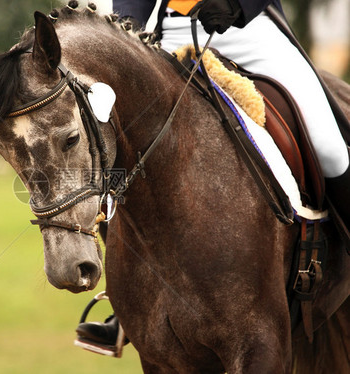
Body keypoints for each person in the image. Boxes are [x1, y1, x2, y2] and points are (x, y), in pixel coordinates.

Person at [75, 0, 350, 354]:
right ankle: (126, 305)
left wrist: (240, 5)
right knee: (120, 151)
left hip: (248, 31)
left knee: (328, 145)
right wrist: (128, 33)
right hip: (163, 34)